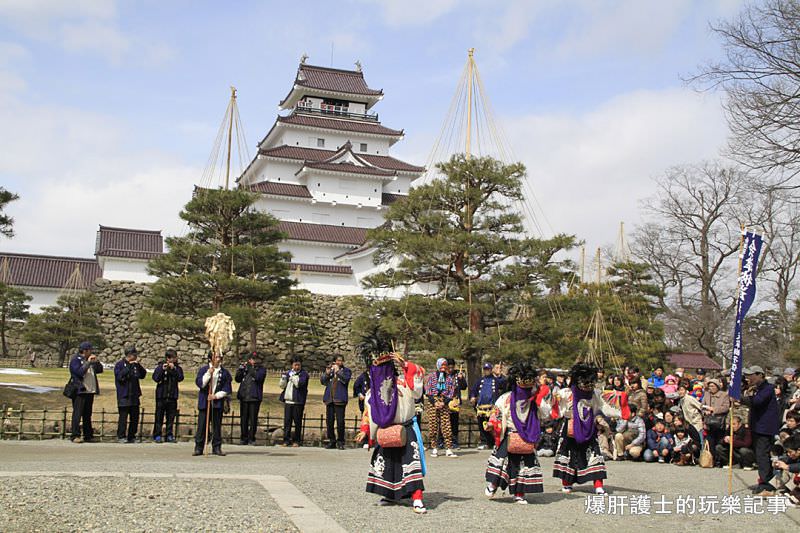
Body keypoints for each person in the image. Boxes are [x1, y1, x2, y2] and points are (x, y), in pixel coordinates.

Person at [360, 352, 428, 514]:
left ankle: (417, 497)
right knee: (388, 463)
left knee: (411, 461)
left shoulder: (404, 384)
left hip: (405, 428)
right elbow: (368, 413)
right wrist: (365, 430)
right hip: (385, 430)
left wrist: (406, 365)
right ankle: (390, 494)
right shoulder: (373, 393)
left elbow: (418, 389)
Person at [553, 363, 629, 494]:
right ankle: (567, 483)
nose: (587, 386)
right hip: (570, 427)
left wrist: (622, 399)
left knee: (594, 454)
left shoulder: (596, 394)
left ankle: (598, 485)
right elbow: (553, 402)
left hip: (589, 427)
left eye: (590, 383)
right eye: (584, 382)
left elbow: (609, 402)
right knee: (568, 454)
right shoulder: (566, 393)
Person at [485, 361, 552, 504]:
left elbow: (547, 413)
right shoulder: (507, 397)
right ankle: (493, 484)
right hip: (509, 433)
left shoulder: (534, 398)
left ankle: (519, 493)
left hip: (528, 434)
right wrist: (492, 424)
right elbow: (497, 411)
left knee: (524, 467)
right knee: (502, 462)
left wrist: (539, 399)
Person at [741, 365, 781, 496]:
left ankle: (766, 484)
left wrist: (740, 398)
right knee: (760, 455)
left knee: (762, 455)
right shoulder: (756, 389)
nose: (749, 378)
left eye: (752, 375)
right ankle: (765, 480)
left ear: (760, 375)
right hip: (757, 426)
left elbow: (758, 402)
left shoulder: (768, 388)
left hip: (765, 428)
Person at [193, 352, 232, 456]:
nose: (218, 359)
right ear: (210, 359)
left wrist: (216, 396)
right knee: (202, 426)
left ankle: (217, 447)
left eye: (219, 357)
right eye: (216, 357)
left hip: (217, 403)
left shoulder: (224, 373)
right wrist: (208, 374)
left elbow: (227, 388)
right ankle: (199, 447)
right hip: (205, 402)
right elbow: (200, 383)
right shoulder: (203, 370)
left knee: (216, 426)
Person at [68, 341, 103, 443]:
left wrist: (96, 362)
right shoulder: (76, 360)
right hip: (80, 390)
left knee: (87, 414)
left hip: (90, 390)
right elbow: (79, 372)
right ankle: (75, 435)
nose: (91, 352)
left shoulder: (90, 360)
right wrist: (87, 363)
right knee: (77, 414)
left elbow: (100, 370)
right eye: (90, 350)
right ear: (85, 350)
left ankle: (88, 435)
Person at [423, 357, 457, 457]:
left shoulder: (449, 378)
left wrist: (444, 402)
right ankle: (434, 447)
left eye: (445, 365)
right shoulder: (431, 377)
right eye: (442, 365)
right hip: (433, 402)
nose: (443, 367)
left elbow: (451, 392)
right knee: (433, 425)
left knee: (446, 425)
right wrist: (434, 402)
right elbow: (428, 391)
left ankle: (448, 448)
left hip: (444, 402)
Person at [114, 346, 147, 443]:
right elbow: (120, 377)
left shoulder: (136, 365)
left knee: (135, 417)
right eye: (134, 355)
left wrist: (138, 366)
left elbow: (143, 375)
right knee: (123, 417)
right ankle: (121, 436)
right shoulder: (120, 365)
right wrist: (128, 365)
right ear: (130, 355)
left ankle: (132, 436)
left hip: (134, 394)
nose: (136, 356)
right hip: (124, 394)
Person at [469, 362, 505, 450]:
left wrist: (500, 375)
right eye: (485, 369)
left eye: (488, 369)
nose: (486, 371)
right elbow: (473, 390)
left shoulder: (496, 380)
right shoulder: (480, 380)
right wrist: (472, 397)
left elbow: (503, 385)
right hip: (481, 407)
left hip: (492, 407)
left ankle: (494, 442)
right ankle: (484, 441)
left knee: (493, 425)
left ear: (491, 370)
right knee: (482, 425)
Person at [152, 349, 183, 443]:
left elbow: (180, 378)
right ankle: (157, 435)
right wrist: (162, 370)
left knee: (170, 417)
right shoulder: (160, 366)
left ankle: (169, 434)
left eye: (174, 358)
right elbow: (155, 378)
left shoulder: (178, 368)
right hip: (161, 396)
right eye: (171, 358)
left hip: (172, 396)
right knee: (159, 417)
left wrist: (173, 369)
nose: (173, 360)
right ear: (167, 358)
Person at [235, 351, 267, 445]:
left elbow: (258, 378)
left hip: (254, 397)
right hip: (244, 396)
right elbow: (237, 379)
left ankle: (251, 438)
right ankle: (243, 437)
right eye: (252, 359)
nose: (254, 361)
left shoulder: (261, 369)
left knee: (253, 419)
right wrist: (240, 370)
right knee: (244, 418)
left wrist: (250, 368)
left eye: (255, 359)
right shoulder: (245, 369)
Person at [321, 355, 351, 450]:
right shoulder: (331, 370)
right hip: (330, 399)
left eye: (341, 361)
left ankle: (341, 441)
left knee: (340, 422)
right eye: (337, 361)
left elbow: (346, 380)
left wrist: (338, 371)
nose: (339, 362)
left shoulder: (346, 371)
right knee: (329, 422)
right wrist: (326, 373)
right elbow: (323, 382)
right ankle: (331, 441)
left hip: (340, 399)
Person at [279, 357, 309, 447]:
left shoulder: (304, 374)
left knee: (297, 422)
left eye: (298, 365)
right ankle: (286, 440)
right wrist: (284, 378)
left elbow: (299, 384)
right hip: (288, 401)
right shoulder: (288, 373)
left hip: (298, 401)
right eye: (295, 365)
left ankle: (297, 440)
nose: (297, 366)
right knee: (287, 422)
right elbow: (281, 386)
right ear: (292, 365)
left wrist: (293, 376)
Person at [702, 377, 729, 465]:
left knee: (719, 441)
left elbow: (725, 408)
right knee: (710, 441)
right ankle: (711, 460)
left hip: (719, 422)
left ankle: (720, 460)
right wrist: (705, 411)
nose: (711, 388)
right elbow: (701, 406)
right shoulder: (706, 394)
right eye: (710, 386)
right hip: (709, 422)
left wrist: (714, 409)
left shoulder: (724, 395)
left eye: (713, 386)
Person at [444, 358, 467, 449]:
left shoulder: (458, 375)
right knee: (444, 422)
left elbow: (464, 387)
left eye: (452, 367)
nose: (450, 369)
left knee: (454, 423)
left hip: (455, 401)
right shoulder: (443, 375)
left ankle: (454, 441)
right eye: (449, 367)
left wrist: (461, 379)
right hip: (445, 401)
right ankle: (442, 441)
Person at [772, 434, 800, 507]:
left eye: (790, 452)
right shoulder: (795, 455)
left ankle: (795, 498)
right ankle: (772, 488)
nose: (788, 454)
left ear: (799, 450)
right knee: (787, 468)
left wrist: (787, 466)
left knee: (791, 469)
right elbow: (787, 460)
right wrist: (778, 463)